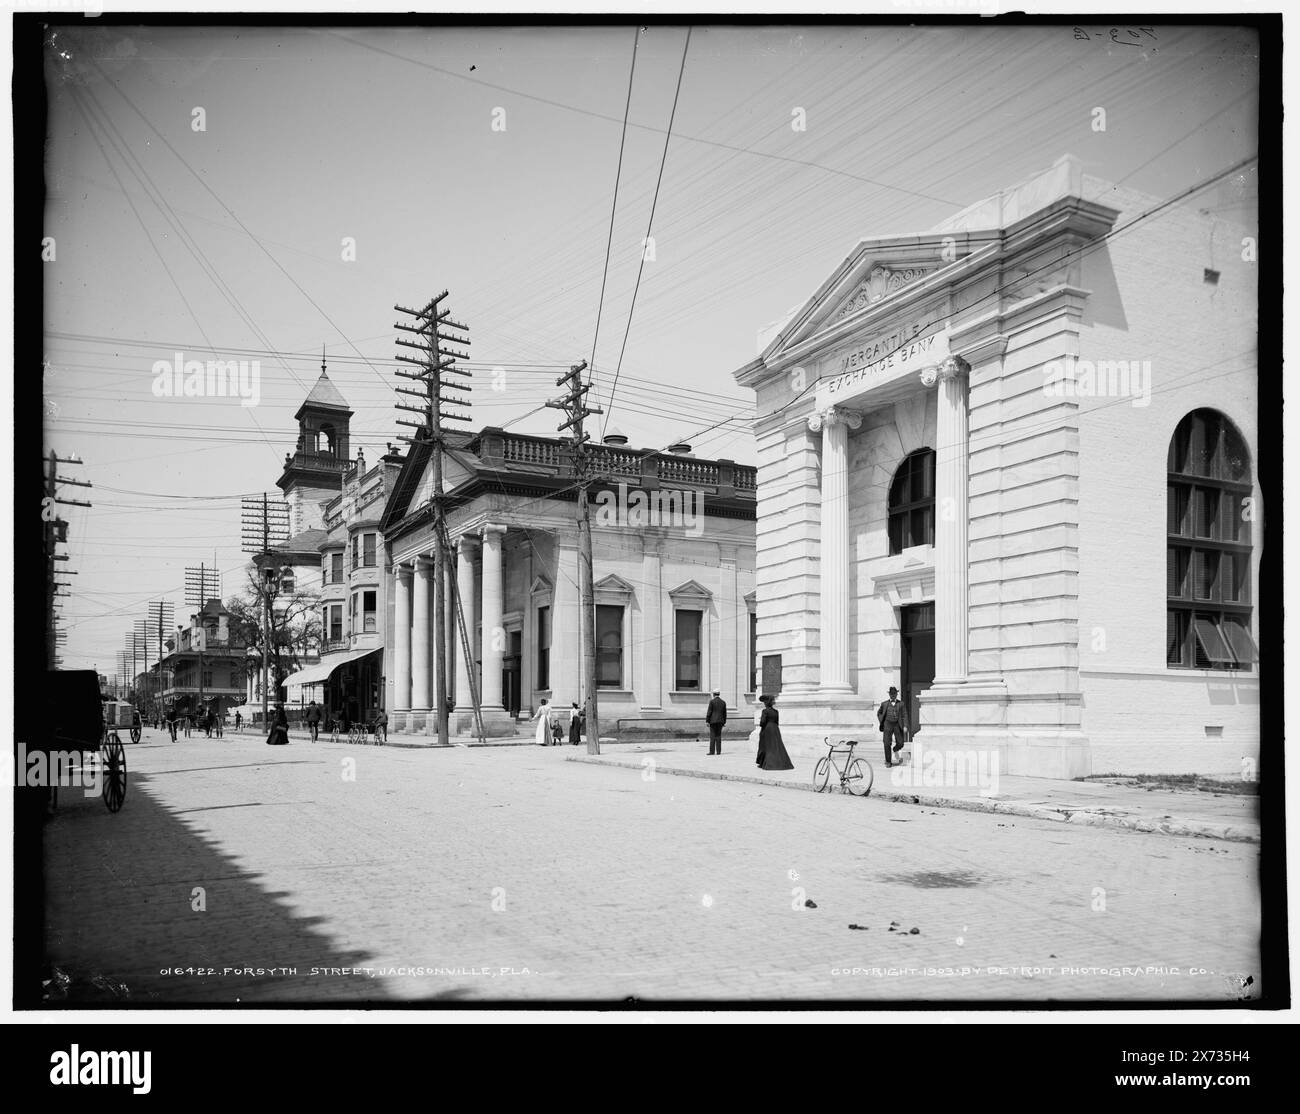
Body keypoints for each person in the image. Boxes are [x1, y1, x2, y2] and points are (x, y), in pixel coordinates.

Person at [755, 694, 794, 771]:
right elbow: (777, 722)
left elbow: (762, 723)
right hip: (775, 729)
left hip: (767, 729)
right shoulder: (776, 711)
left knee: (766, 746)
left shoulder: (765, 711)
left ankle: (767, 763)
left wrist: (761, 720)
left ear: (766, 703)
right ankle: (781, 762)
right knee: (776, 746)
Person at [877, 686, 909, 768]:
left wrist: (905, 726)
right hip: (887, 724)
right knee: (886, 743)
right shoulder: (884, 704)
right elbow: (879, 713)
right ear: (889, 694)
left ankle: (895, 749)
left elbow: (905, 715)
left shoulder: (901, 704)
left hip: (897, 724)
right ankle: (888, 761)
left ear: (896, 694)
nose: (893, 695)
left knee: (901, 743)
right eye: (891, 694)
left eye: (894, 694)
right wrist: (882, 721)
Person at [705, 688, 727, 756]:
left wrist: (707, 721)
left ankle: (712, 751)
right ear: (719, 694)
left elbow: (709, 712)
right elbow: (724, 713)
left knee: (712, 736)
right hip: (720, 721)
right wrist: (724, 722)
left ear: (713, 694)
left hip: (713, 721)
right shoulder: (723, 702)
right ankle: (718, 751)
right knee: (718, 736)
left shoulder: (712, 702)